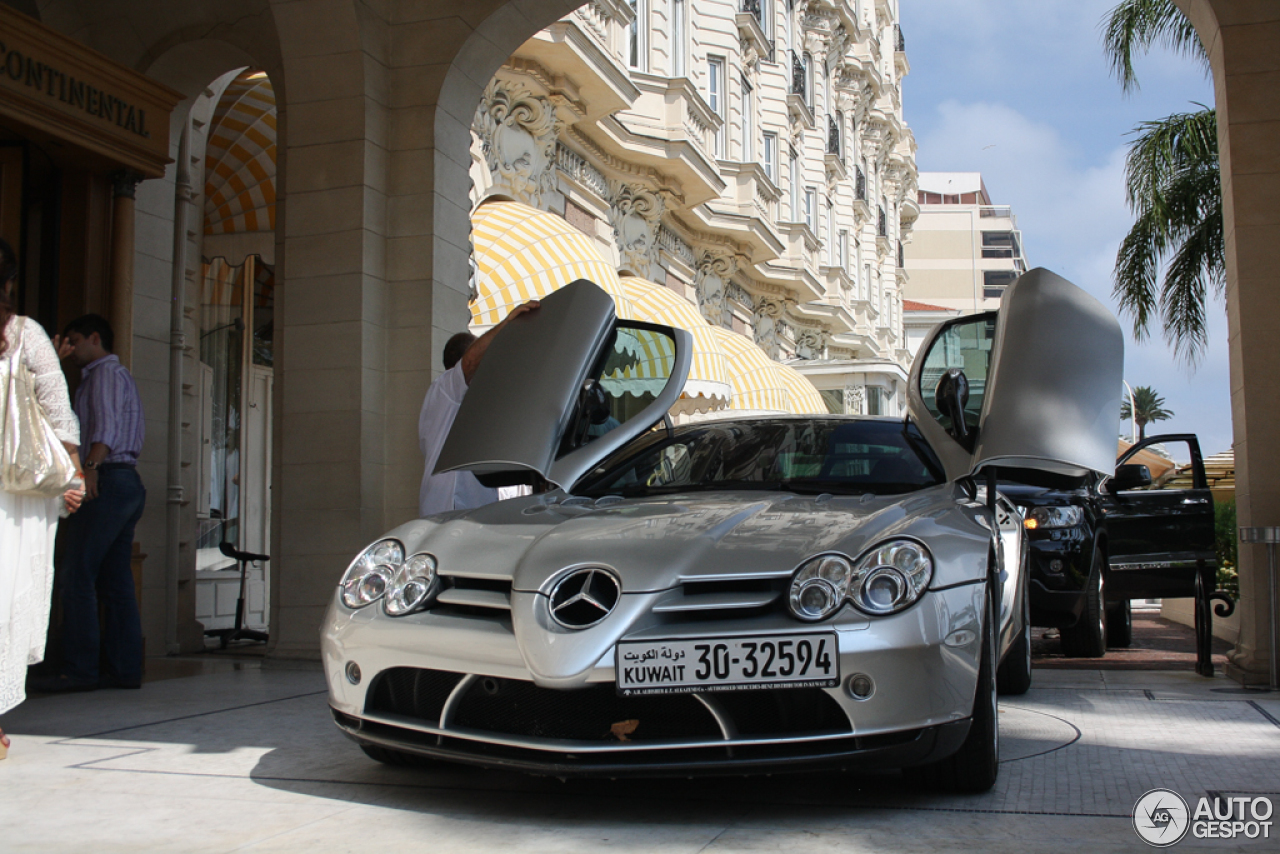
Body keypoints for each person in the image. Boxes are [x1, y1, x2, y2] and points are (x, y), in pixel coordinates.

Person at [0, 238, 83, 756]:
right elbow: (57, 408)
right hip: (15, 491)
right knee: (7, 596)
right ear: (8, 282)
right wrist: (73, 474)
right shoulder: (25, 334)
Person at [37, 314, 145, 693]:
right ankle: (124, 669)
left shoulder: (103, 375)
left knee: (76, 574)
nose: (72, 349)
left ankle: (80, 670)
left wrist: (90, 469)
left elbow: (106, 428)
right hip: (124, 481)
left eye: (75, 340)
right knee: (115, 580)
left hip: (110, 478)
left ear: (94, 339)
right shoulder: (104, 376)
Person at [419, 300, 538, 517]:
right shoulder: (447, 388)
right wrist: (507, 324)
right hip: (452, 510)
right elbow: (470, 362)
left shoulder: (470, 398)